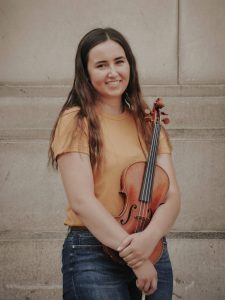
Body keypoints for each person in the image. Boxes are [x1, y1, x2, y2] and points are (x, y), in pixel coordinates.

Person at [48, 27, 180, 300]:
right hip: (93, 253)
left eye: (119, 62)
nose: (113, 72)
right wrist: (136, 257)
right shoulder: (76, 120)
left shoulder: (148, 123)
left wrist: (149, 239)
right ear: (86, 72)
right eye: (101, 65)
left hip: (152, 247)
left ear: (130, 64)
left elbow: (171, 195)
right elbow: (82, 201)